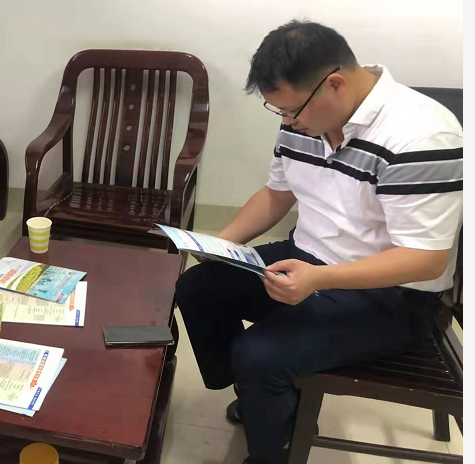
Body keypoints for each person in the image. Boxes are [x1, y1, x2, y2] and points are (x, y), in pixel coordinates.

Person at [173, 20, 462, 464]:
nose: (287, 122)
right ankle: (264, 398)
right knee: (198, 288)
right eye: (279, 112)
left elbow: (426, 259)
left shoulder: (422, 135)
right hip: (308, 258)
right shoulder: (306, 121)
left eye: (291, 111)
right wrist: (218, 242)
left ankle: (272, 439)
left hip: (392, 295)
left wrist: (319, 279)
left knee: (259, 355)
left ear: (335, 84)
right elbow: (276, 194)